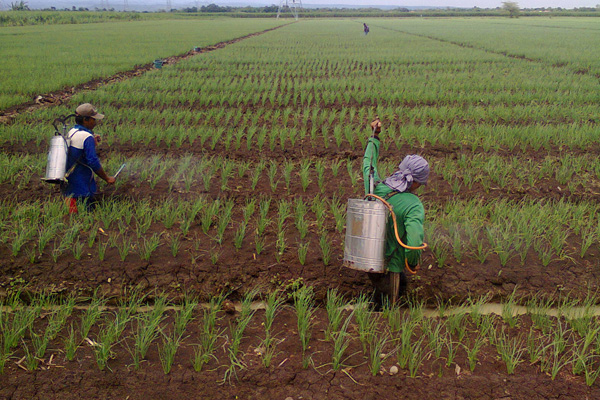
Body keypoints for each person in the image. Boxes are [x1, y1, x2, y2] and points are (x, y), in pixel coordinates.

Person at [362, 117, 428, 305]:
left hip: (369, 260)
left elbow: (368, 165)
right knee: (387, 305)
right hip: (391, 266)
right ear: (416, 182)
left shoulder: (377, 188)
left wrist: (374, 137)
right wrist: (412, 263)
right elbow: (414, 242)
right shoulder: (413, 205)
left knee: (385, 291)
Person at [63, 103, 115, 213]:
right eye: (93, 119)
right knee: (87, 213)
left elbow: (78, 150)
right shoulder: (87, 137)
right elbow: (93, 161)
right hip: (82, 183)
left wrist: (92, 139)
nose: (95, 122)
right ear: (85, 120)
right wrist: (106, 178)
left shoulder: (72, 132)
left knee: (72, 213)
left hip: (69, 181)